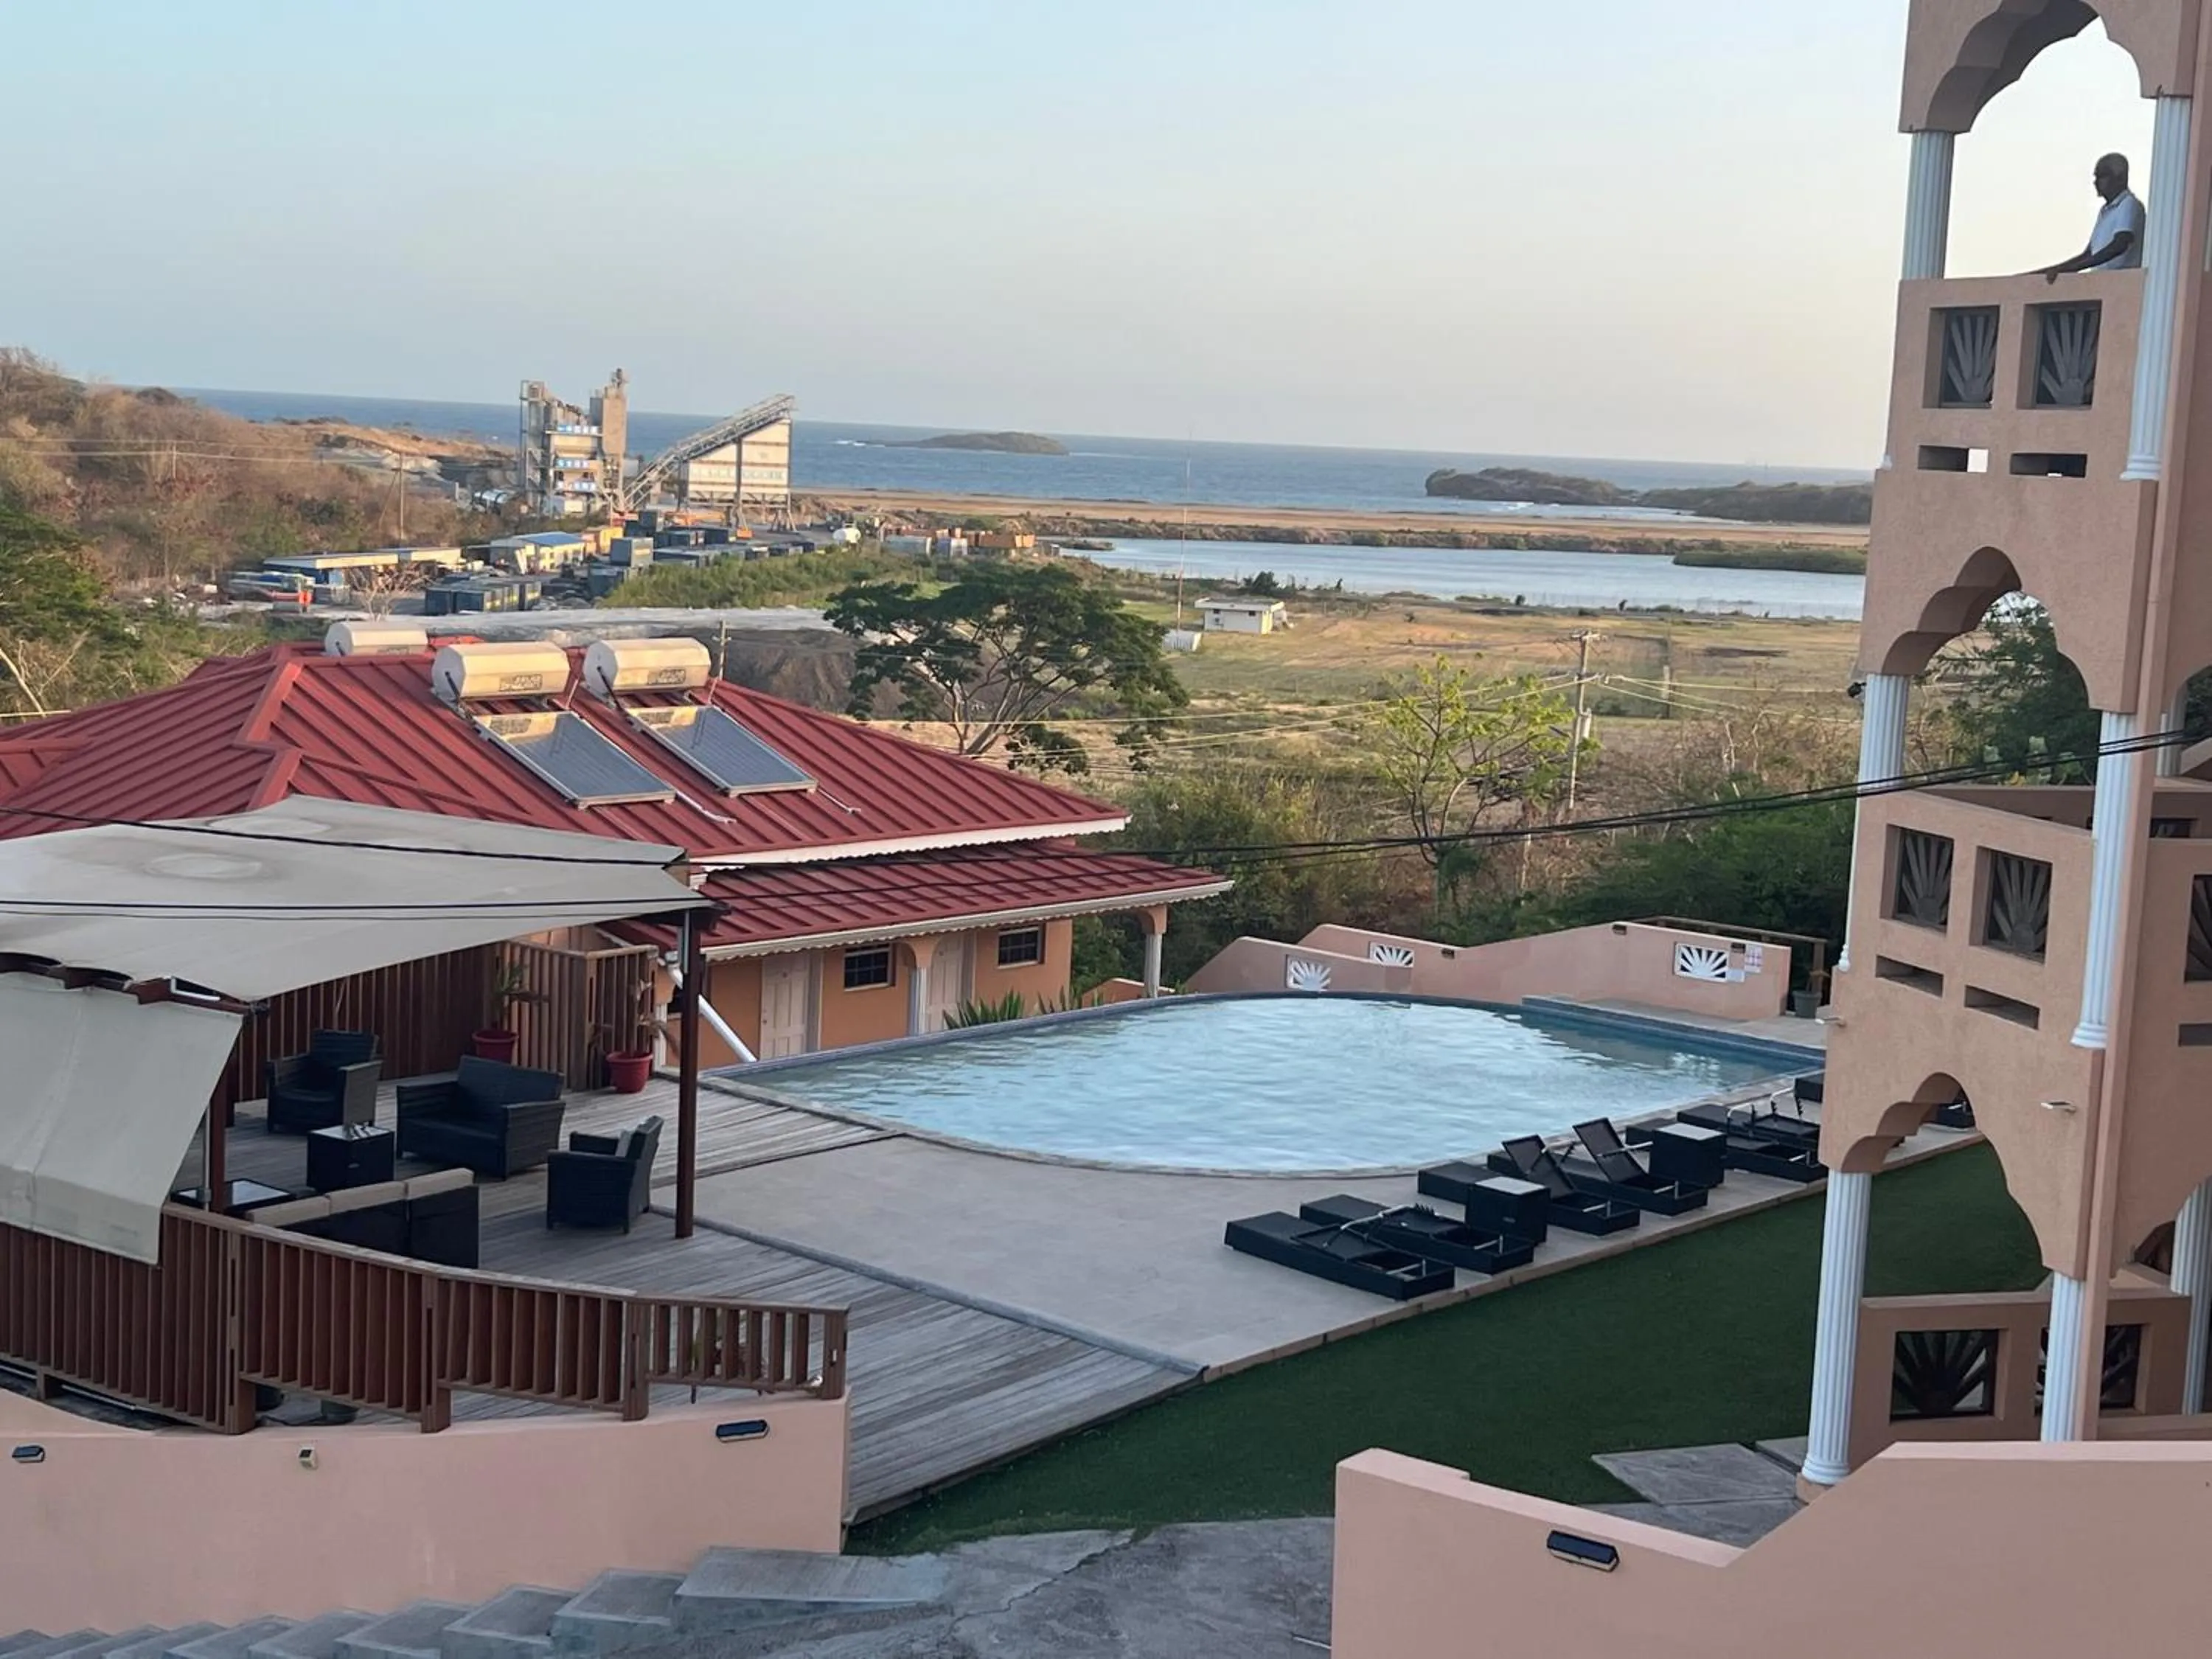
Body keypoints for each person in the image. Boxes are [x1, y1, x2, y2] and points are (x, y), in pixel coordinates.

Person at [2039, 153, 2145, 281]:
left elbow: (2119, 245)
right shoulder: (2105, 211)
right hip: (2101, 281)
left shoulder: (2128, 204)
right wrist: (2057, 270)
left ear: (2120, 178)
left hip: (2121, 281)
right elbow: (2089, 254)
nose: (2096, 182)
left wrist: (2072, 268)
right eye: (2096, 177)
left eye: (2102, 176)